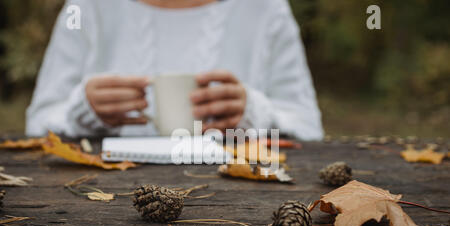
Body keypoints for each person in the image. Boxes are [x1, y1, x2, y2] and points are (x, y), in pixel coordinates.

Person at [26, 0, 324, 140]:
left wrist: (256, 115)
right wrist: (81, 112)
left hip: (237, 205)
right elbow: (38, 122)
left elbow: (309, 127)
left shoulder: (266, 10)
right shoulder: (88, 7)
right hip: (100, 203)